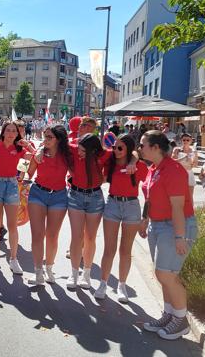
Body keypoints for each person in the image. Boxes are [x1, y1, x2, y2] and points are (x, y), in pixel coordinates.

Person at [140, 130, 198, 340]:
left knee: (167, 275)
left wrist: (180, 237)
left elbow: (178, 207)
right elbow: (149, 197)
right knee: (162, 274)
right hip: (158, 225)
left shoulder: (173, 170)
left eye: (143, 145)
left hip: (174, 226)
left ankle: (181, 320)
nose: (140, 148)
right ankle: (169, 314)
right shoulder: (153, 168)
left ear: (155, 148)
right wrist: (145, 219)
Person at [95, 134, 148, 302]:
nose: (116, 151)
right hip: (112, 203)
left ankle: (121, 285)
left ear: (129, 150)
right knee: (109, 249)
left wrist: (146, 217)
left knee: (125, 250)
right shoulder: (110, 162)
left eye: (120, 148)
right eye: (114, 147)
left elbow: (149, 192)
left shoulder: (139, 166)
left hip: (132, 206)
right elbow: (100, 171)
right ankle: (103, 283)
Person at [26, 125, 73, 285]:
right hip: (38, 194)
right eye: (44, 136)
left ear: (58, 139)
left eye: (49, 137)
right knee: (37, 235)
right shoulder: (39, 153)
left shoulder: (68, 153)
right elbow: (29, 173)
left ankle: (49, 268)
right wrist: (22, 176)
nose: (45, 140)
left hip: (59, 196)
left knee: (52, 236)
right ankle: (38, 271)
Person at [0, 120, 34, 273]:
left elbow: (31, 158)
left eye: (14, 131)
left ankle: (14, 259)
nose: (11, 133)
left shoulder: (19, 149)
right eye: (8, 130)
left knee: (12, 225)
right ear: (3, 132)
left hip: (12, 185)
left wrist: (28, 146)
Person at [66, 133, 109, 289]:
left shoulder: (103, 154)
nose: (79, 153)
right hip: (75, 196)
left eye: (83, 151)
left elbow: (131, 153)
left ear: (93, 151)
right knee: (76, 236)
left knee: (90, 238)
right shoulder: (74, 149)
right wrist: (39, 151)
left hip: (95, 197)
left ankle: (86, 274)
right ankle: (74, 273)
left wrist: (132, 160)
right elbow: (54, 144)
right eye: (79, 149)